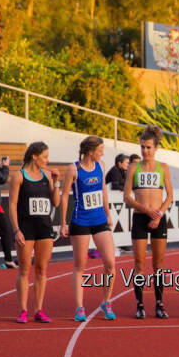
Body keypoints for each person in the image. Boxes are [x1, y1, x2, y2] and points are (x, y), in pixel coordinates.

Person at [60, 136, 117, 322]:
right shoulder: (73, 169)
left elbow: (103, 191)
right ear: (90, 151)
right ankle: (79, 308)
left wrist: (108, 213)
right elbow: (65, 197)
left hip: (99, 219)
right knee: (80, 266)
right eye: (100, 149)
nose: (102, 153)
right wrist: (63, 222)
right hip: (81, 221)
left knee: (110, 263)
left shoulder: (101, 166)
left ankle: (106, 302)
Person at [124, 126, 175, 319]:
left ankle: (160, 304)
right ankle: (140, 304)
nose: (145, 151)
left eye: (148, 148)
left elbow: (170, 195)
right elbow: (126, 196)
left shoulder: (163, 168)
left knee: (158, 264)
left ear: (156, 148)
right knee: (139, 263)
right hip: (139, 217)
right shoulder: (133, 168)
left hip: (158, 219)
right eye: (142, 147)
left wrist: (158, 214)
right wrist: (146, 210)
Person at [9, 142, 61, 323]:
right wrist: (16, 230)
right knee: (24, 270)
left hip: (44, 228)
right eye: (45, 156)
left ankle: (39, 309)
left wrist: (56, 182)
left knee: (42, 269)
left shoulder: (47, 176)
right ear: (34, 156)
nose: (47, 160)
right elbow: (13, 204)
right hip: (26, 228)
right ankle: (23, 310)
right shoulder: (19, 177)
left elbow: (56, 202)